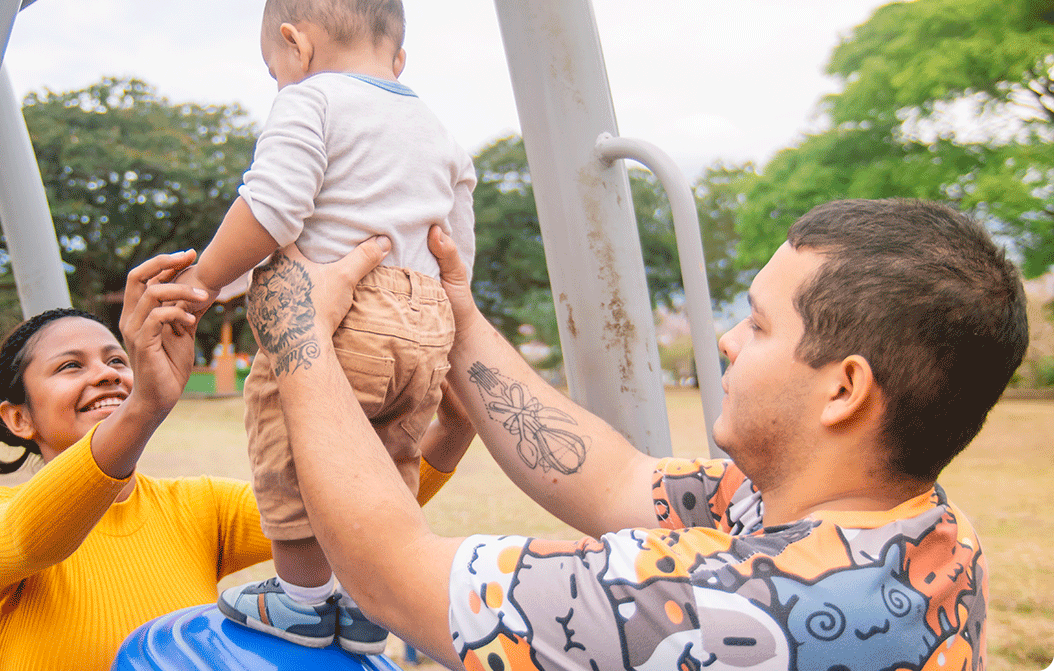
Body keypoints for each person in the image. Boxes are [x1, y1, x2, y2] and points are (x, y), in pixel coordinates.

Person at [245, 198, 1028, 670]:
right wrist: (460, 314)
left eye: (756, 324)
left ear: (844, 389)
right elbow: (617, 480)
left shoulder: (724, 607)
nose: (726, 340)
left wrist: (298, 336)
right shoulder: (930, 534)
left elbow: (391, 574)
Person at [0, 252, 473, 671]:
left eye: (117, 360)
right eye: (71, 366)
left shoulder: (197, 507)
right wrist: (145, 406)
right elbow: (33, 538)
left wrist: (452, 429)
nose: (108, 374)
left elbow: (339, 506)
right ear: (18, 419)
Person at [172, 0, 477, 655]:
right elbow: (453, 246)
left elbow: (273, 210)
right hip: (422, 322)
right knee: (388, 456)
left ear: (295, 43)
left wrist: (207, 278)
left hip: (339, 322)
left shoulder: (309, 100)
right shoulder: (438, 131)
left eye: (273, 67)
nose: (277, 79)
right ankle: (374, 603)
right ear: (397, 57)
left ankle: (305, 600)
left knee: (292, 445)